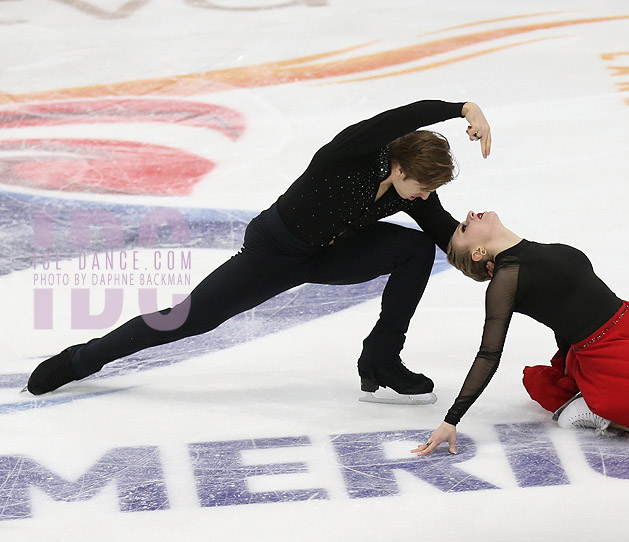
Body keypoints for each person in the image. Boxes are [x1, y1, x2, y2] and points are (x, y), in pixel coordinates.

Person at [27, 100, 492, 405]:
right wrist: (461, 108)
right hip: (273, 252)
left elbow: (447, 237)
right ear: (397, 164)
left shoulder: (411, 192)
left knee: (414, 249)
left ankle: (381, 358)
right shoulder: (347, 157)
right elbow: (392, 120)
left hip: (329, 255)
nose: (422, 197)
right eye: (421, 186)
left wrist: (490, 258)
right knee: (187, 318)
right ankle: (80, 360)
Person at [414, 210, 629, 455]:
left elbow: (560, 311)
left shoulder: (529, 250)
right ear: (478, 252)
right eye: (463, 226)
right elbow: (488, 353)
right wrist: (451, 420)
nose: (470, 215)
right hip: (612, 360)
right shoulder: (506, 279)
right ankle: (606, 415)